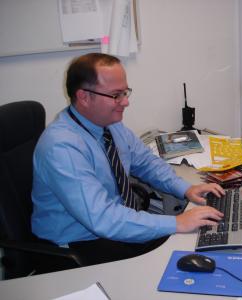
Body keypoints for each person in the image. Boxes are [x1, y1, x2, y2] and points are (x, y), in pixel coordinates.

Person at [31, 53, 224, 265]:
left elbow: (146, 162)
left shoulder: (109, 124)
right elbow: (102, 218)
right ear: (84, 97)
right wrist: (177, 222)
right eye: (116, 95)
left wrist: (185, 189)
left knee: (196, 245)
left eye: (125, 92)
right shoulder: (61, 147)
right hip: (80, 243)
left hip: (114, 226)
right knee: (170, 263)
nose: (126, 102)